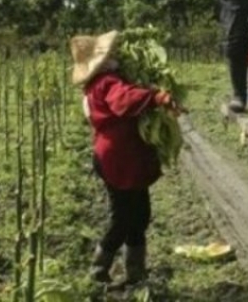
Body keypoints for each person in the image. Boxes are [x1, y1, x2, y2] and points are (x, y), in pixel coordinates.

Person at [70, 30, 179, 285]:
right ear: (102, 62)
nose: (115, 56)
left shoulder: (98, 84)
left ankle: (135, 271)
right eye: (110, 54)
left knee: (140, 214)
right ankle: (98, 269)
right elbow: (124, 100)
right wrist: (156, 96)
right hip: (118, 159)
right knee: (122, 218)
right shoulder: (107, 82)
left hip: (121, 157)